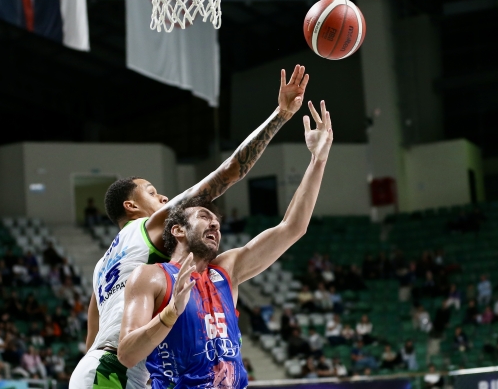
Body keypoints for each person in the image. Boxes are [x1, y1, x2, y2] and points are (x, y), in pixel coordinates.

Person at [71, 65, 311, 389]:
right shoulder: (150, 227)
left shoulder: (103, 266)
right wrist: (280, 116)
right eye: (152, 193)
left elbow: (92, 338)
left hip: (97, 367)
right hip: (117, 369)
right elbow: (229, 172)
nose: (163, 198)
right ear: (131, 206)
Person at [116, 102, 332, 389]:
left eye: (217, 221)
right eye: (204, 217)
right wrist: (170, 313)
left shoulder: (226, 270)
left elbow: (292, 228)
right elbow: (127, 354)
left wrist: (318, 160)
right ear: (178, 230)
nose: (215, 225)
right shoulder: (151, 276)